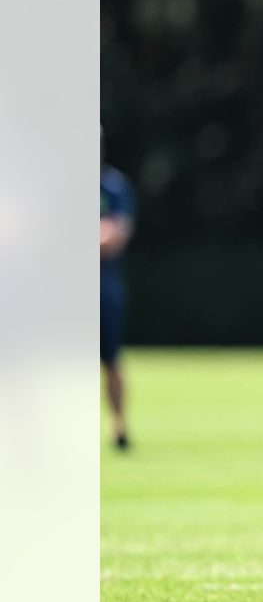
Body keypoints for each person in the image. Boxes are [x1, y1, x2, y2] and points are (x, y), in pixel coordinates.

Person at [101, 129, 134, 451]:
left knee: (110, 357)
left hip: (104, 283)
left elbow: (114, 239)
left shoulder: (113, 186)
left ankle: (119, 426)